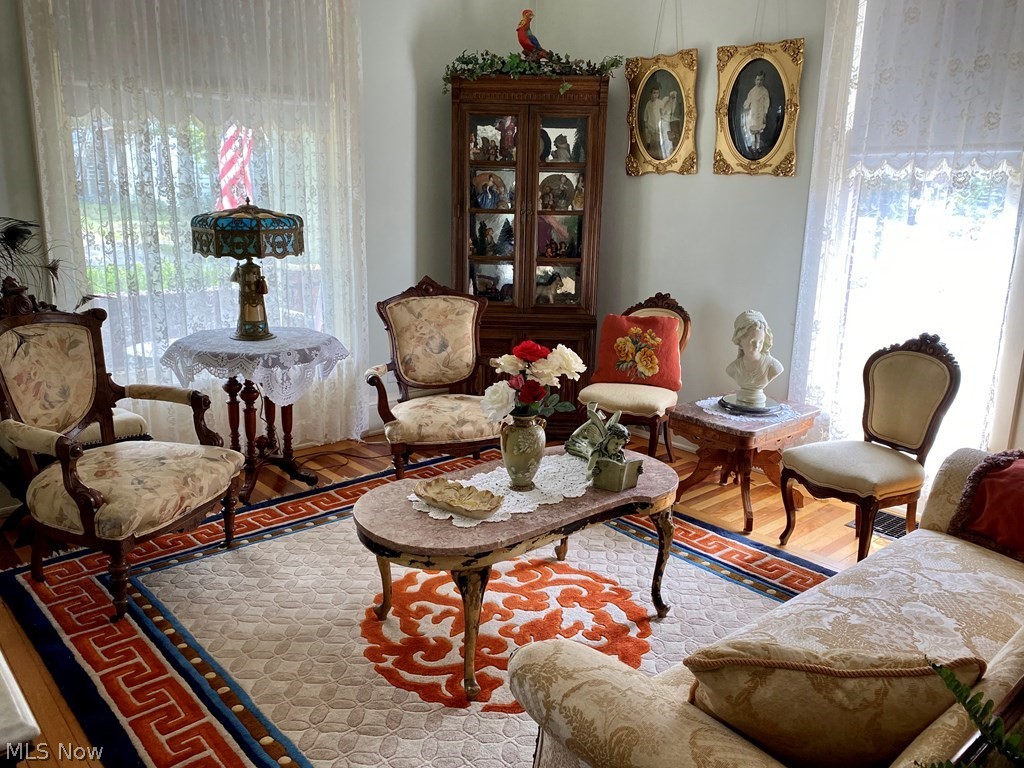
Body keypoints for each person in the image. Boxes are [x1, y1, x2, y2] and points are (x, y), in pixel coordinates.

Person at [725, 310, 784, 408]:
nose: (756, 346)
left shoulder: (773, 367)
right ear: (740, 342)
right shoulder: (733, 368)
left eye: (760, 342)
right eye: (752, 342)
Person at [743, 72, 771, 155]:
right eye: (758, 80)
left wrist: (765, 113)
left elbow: (766, 103)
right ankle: (753, 146)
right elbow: (748, 99)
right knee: (752, 130)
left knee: (758, 132)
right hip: (753, 113)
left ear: (763, 81)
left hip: (760, 113)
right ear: (755, 80)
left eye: (761, 80)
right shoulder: (752, 91)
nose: (759, 82)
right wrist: (746, 105)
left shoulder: (764, 91)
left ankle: (758, 147)